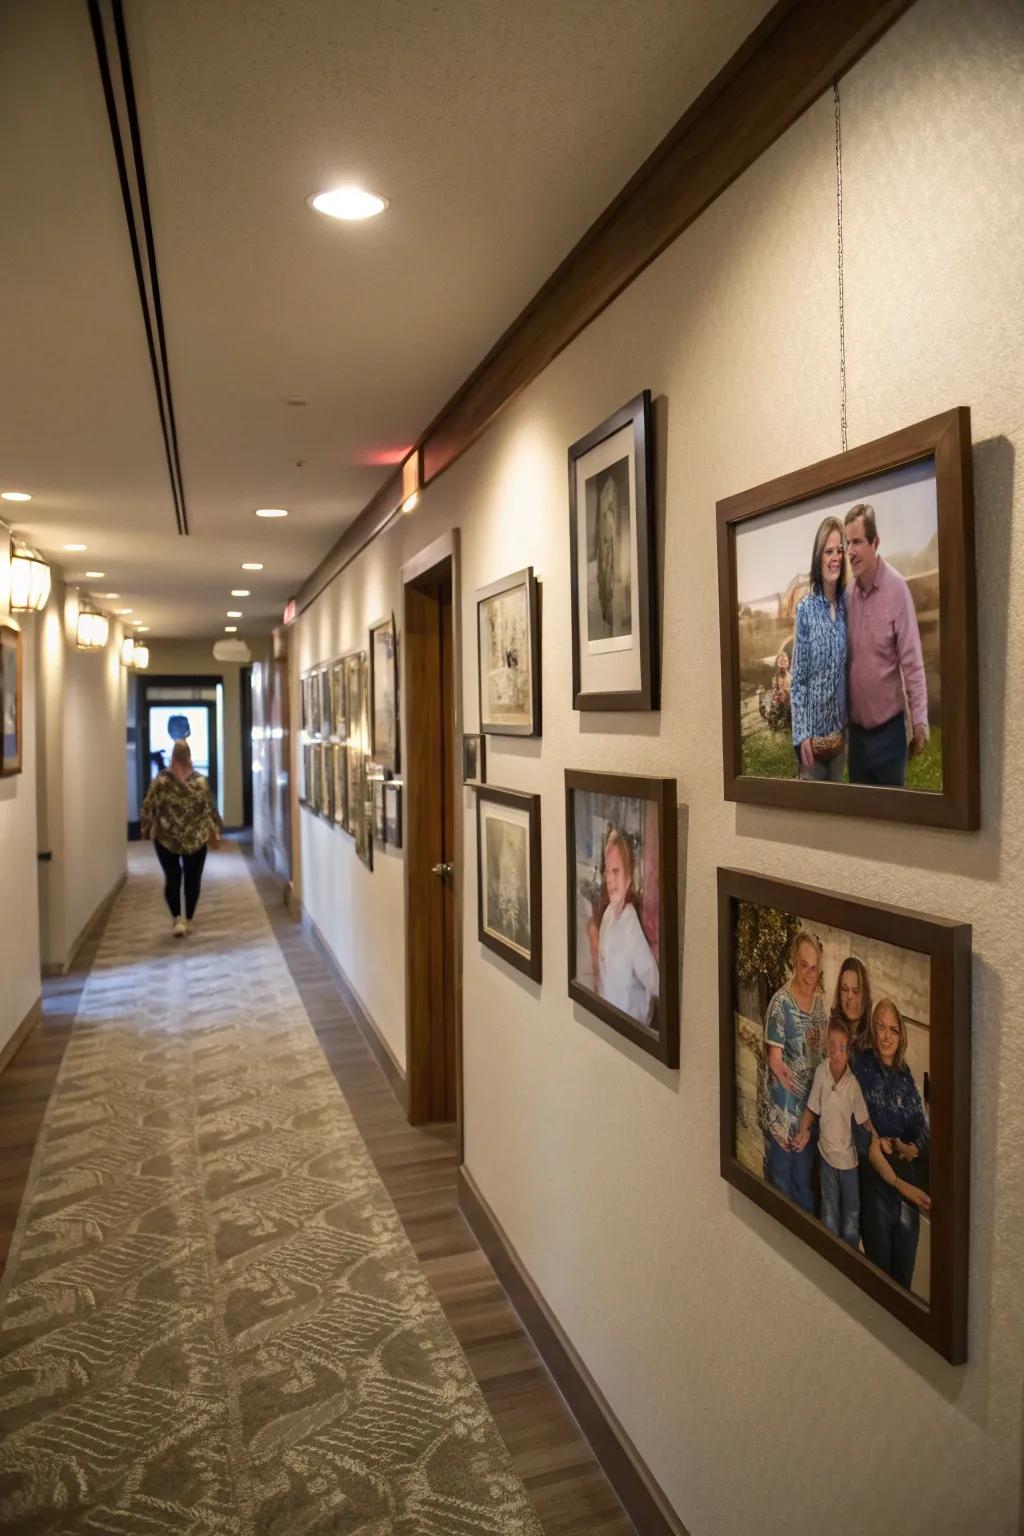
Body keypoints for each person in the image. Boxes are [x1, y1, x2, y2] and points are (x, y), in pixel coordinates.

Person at [844, 502, 928, 787]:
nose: (850, 551)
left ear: (875, 542)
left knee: (895, 823)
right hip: (856, 737)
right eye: (847, 543)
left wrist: (920, 721)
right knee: (859, 824)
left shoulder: (897, 590)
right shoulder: (847, 596)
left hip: (889, 736)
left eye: (857, 541)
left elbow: (913, 662)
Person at [852, 999, 931, 1287]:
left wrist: (915, 1147)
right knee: (880, 1275)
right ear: (872, 1030)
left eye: (893, 1030)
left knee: (904, 1275)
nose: (886, 1036)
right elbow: (855, 1122)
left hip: (906, 1180)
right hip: (875, 1180)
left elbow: (921, 1126)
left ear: (901, 1035)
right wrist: (877, 1140)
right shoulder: (860, 1065)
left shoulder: (905, 1075)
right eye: (881, 1027)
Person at [762, 930, 827, 1213]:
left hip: (808, 1121)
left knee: (804, 1191)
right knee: (780, 1190)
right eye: (803, 965)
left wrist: (808, 1124)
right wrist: (785, 1124)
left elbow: (823, 1059)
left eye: (814, 967)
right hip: (782, 1119)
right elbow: (775, 1063)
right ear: (794, 962)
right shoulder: (780, 1005)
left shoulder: (822, 1007)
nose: (809, 974)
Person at [793, 1017, 871, 1245]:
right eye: (833, 1046)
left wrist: (881, 1137)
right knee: (828, 1213)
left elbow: (864, 1120)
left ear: (848, 1051)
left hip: (848, 1162)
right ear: (827, 1046)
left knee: (850, 1218)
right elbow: (811, 1109)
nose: (837, 1053)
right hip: (826, 1156)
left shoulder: (853, 1085)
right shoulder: (821, 1073)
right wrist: (803, 1130)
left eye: (842, 1048)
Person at [140, 739, 222, 936]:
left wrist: (215, 829)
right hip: (167, 840)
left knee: (192, 880)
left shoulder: (200, 782)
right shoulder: (162, 781)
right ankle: (177, 917)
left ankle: (187, 918)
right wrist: (146, 824)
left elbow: (209, 809)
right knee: (173, 878)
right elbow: (147, 806)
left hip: (195, 839)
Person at [790, 515, 847, 782]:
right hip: (812, 746)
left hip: (838, 742)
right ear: (818, 556)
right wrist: (801, 736)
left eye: (839, 551)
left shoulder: (849, 606)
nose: (834, 557)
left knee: (839, 819)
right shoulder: (806, 609)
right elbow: (799, 680)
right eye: (828, 551)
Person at [590, 829, 659, 1024]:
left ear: (629, 876)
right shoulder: (608, 915)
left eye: (616, 871)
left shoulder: (631, 923)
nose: (610, 879)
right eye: (607, 871)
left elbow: (656, 983)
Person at [832, 955, 874, 1055]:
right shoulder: (828, 1032)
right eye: (845, 989)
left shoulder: (874, 1045)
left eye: (856, 991)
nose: (850, 996)